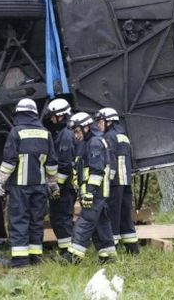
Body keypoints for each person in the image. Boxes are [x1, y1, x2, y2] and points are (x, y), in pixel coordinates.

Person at [0, 98, 58, 268]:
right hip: (39, 186)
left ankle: (20, 260)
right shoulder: (46, 133)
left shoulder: (16, 132)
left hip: (20, 187)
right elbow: (52, 164)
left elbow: (9, 161)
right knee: (36, 221)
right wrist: (53, 184)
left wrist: (1, 181)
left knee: (19, 220)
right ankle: (35, 257)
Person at [64, 112, 116, 264]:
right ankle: (108, 256)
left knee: (85, 222)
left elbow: (96, 171)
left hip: (94, 193)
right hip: (95, 192)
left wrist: (89, 192)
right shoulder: (89, 142)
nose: (75, 135)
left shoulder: (94, 143)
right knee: (101, 224)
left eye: (77, 131)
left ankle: (73, 257)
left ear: (86, 128)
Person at [95, 107, 139, 254]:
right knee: (125, 215)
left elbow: (109, 160)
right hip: (126, 182)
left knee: (112, 215)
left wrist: (105, 181)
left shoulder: (109, 137)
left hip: (114, 183)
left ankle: (111, 248)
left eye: (100, 121)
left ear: (109, 121)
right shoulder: (123, 136)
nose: (98, 125)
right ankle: (132, 248)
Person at [45, 98, 78, 255]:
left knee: (61, 218)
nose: (52, 119)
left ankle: (68, 253)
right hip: (67, 185)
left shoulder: (66, 134)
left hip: (65, 186)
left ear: (62, 115)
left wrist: (55, 186)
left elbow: (65, 165)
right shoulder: (66, 132)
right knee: (60, 217)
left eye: (54, 116)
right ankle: (66, 250)